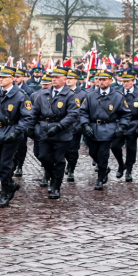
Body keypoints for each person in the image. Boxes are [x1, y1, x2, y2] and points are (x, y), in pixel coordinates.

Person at [0, 66, 35, 207]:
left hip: (12, 132)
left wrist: (16, 131)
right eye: (0, 77)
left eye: (4, 77)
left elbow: (27, 117)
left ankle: (5, 192)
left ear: (12, 78)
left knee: (5, 165)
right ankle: (11, 183)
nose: (1, 80)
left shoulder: (21, 95)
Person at [30, 67, 80, 199]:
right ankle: (53, 177)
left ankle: (56, 186)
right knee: (42, 156)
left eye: (57, 77)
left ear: (65, 79)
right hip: (44, 130)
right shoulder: (44, 94)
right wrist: (30, 126)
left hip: (61, 133)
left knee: (58, 160)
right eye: (53, 77)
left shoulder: (70, 95)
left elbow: (73, 115)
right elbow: (35, 111)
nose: (54, 79)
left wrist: (59, 127)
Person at [79, 69, 132, 190]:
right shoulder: (90, 95)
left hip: (108, 128)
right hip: (92, 128)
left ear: (110, 81)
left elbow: (126, 114)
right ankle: (105, 169)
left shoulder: (118, 97)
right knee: (93, 153)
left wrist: (122, 126)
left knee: (103, 154)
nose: (101, 82)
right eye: (100, 79)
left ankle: (100, 178)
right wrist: (85, 125)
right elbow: (83, 112)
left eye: (104, 80)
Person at [109, 71, 138, 182]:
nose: (125, 84)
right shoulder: (116, 93)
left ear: (133, 81)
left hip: (133, 124)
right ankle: (121, 164)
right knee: (114, 146)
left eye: (128, 81)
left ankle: (129, 169)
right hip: (119, 124)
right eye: (124, 81)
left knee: (131, 148)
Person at [64, 69, 86, 182]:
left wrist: (80, 124)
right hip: (63, 127)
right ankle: (68, 164)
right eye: (67, 78)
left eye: (71, 78)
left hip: (75, 127)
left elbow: (83, 112)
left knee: (72, 150)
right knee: (63, 150)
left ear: (76, 80)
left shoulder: (82, 94)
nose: (68, 80)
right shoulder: (62, 92)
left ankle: (71, 169)